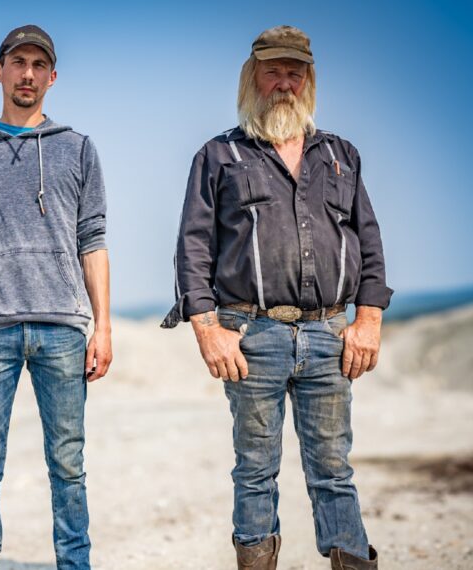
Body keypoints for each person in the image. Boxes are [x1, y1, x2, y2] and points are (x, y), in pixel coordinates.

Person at [162, 25, 390, 570]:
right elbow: (192, 247)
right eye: (273, 71)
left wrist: (369, 321)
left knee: (333, 468)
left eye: (295, 72)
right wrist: (206, 329)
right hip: (251, 335)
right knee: (255, 470)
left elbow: (371, 243)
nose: (283, 83)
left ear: (308, 81)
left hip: (330, 335)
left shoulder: (341, 155)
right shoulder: (219, 155)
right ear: (252, 77)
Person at [0, 24, 112, 570]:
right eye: (18, 62)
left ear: (52, 77)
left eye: (38, 65)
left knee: (69, 464)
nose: (27, 73)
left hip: (62, 327)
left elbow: (93, 240)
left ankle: (74, 564)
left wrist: (103, 326)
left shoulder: (78, 149)